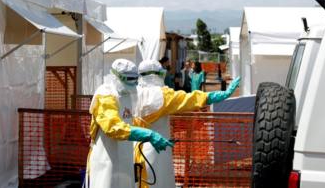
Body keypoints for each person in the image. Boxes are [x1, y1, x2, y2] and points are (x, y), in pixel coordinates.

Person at [134, 59, 241, 188]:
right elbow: (192, 99)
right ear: (160, 74)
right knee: (158, 180)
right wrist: (222, 94)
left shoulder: (130, 94)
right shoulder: (164, 96)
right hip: (157, 150)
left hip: (133, 149)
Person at [84, 59, 174, 188]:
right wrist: (147, 134)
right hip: (106, 161)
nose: (132, 83)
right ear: (115, 76)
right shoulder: (105, 95)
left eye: (134, 78)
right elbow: (112, 127)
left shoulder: (129, 94)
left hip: (126, 159)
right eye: (128, 79)